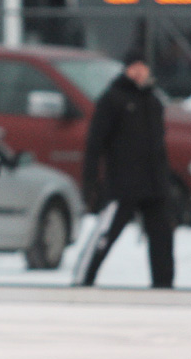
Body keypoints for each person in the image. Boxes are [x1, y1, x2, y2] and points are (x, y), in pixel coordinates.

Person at [73, 47, 175, 289]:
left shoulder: (153, 101)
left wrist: (165, 182)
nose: (139, 72)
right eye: (134, 67)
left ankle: (164, 288)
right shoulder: (113, 99)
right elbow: (95, 144)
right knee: (105, 236)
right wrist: (90, 182)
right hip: (123, 184)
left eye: (143, 67)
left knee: (162, 240)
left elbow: (159, 147)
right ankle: (82, 282)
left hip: (154, 185)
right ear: (126, 69)